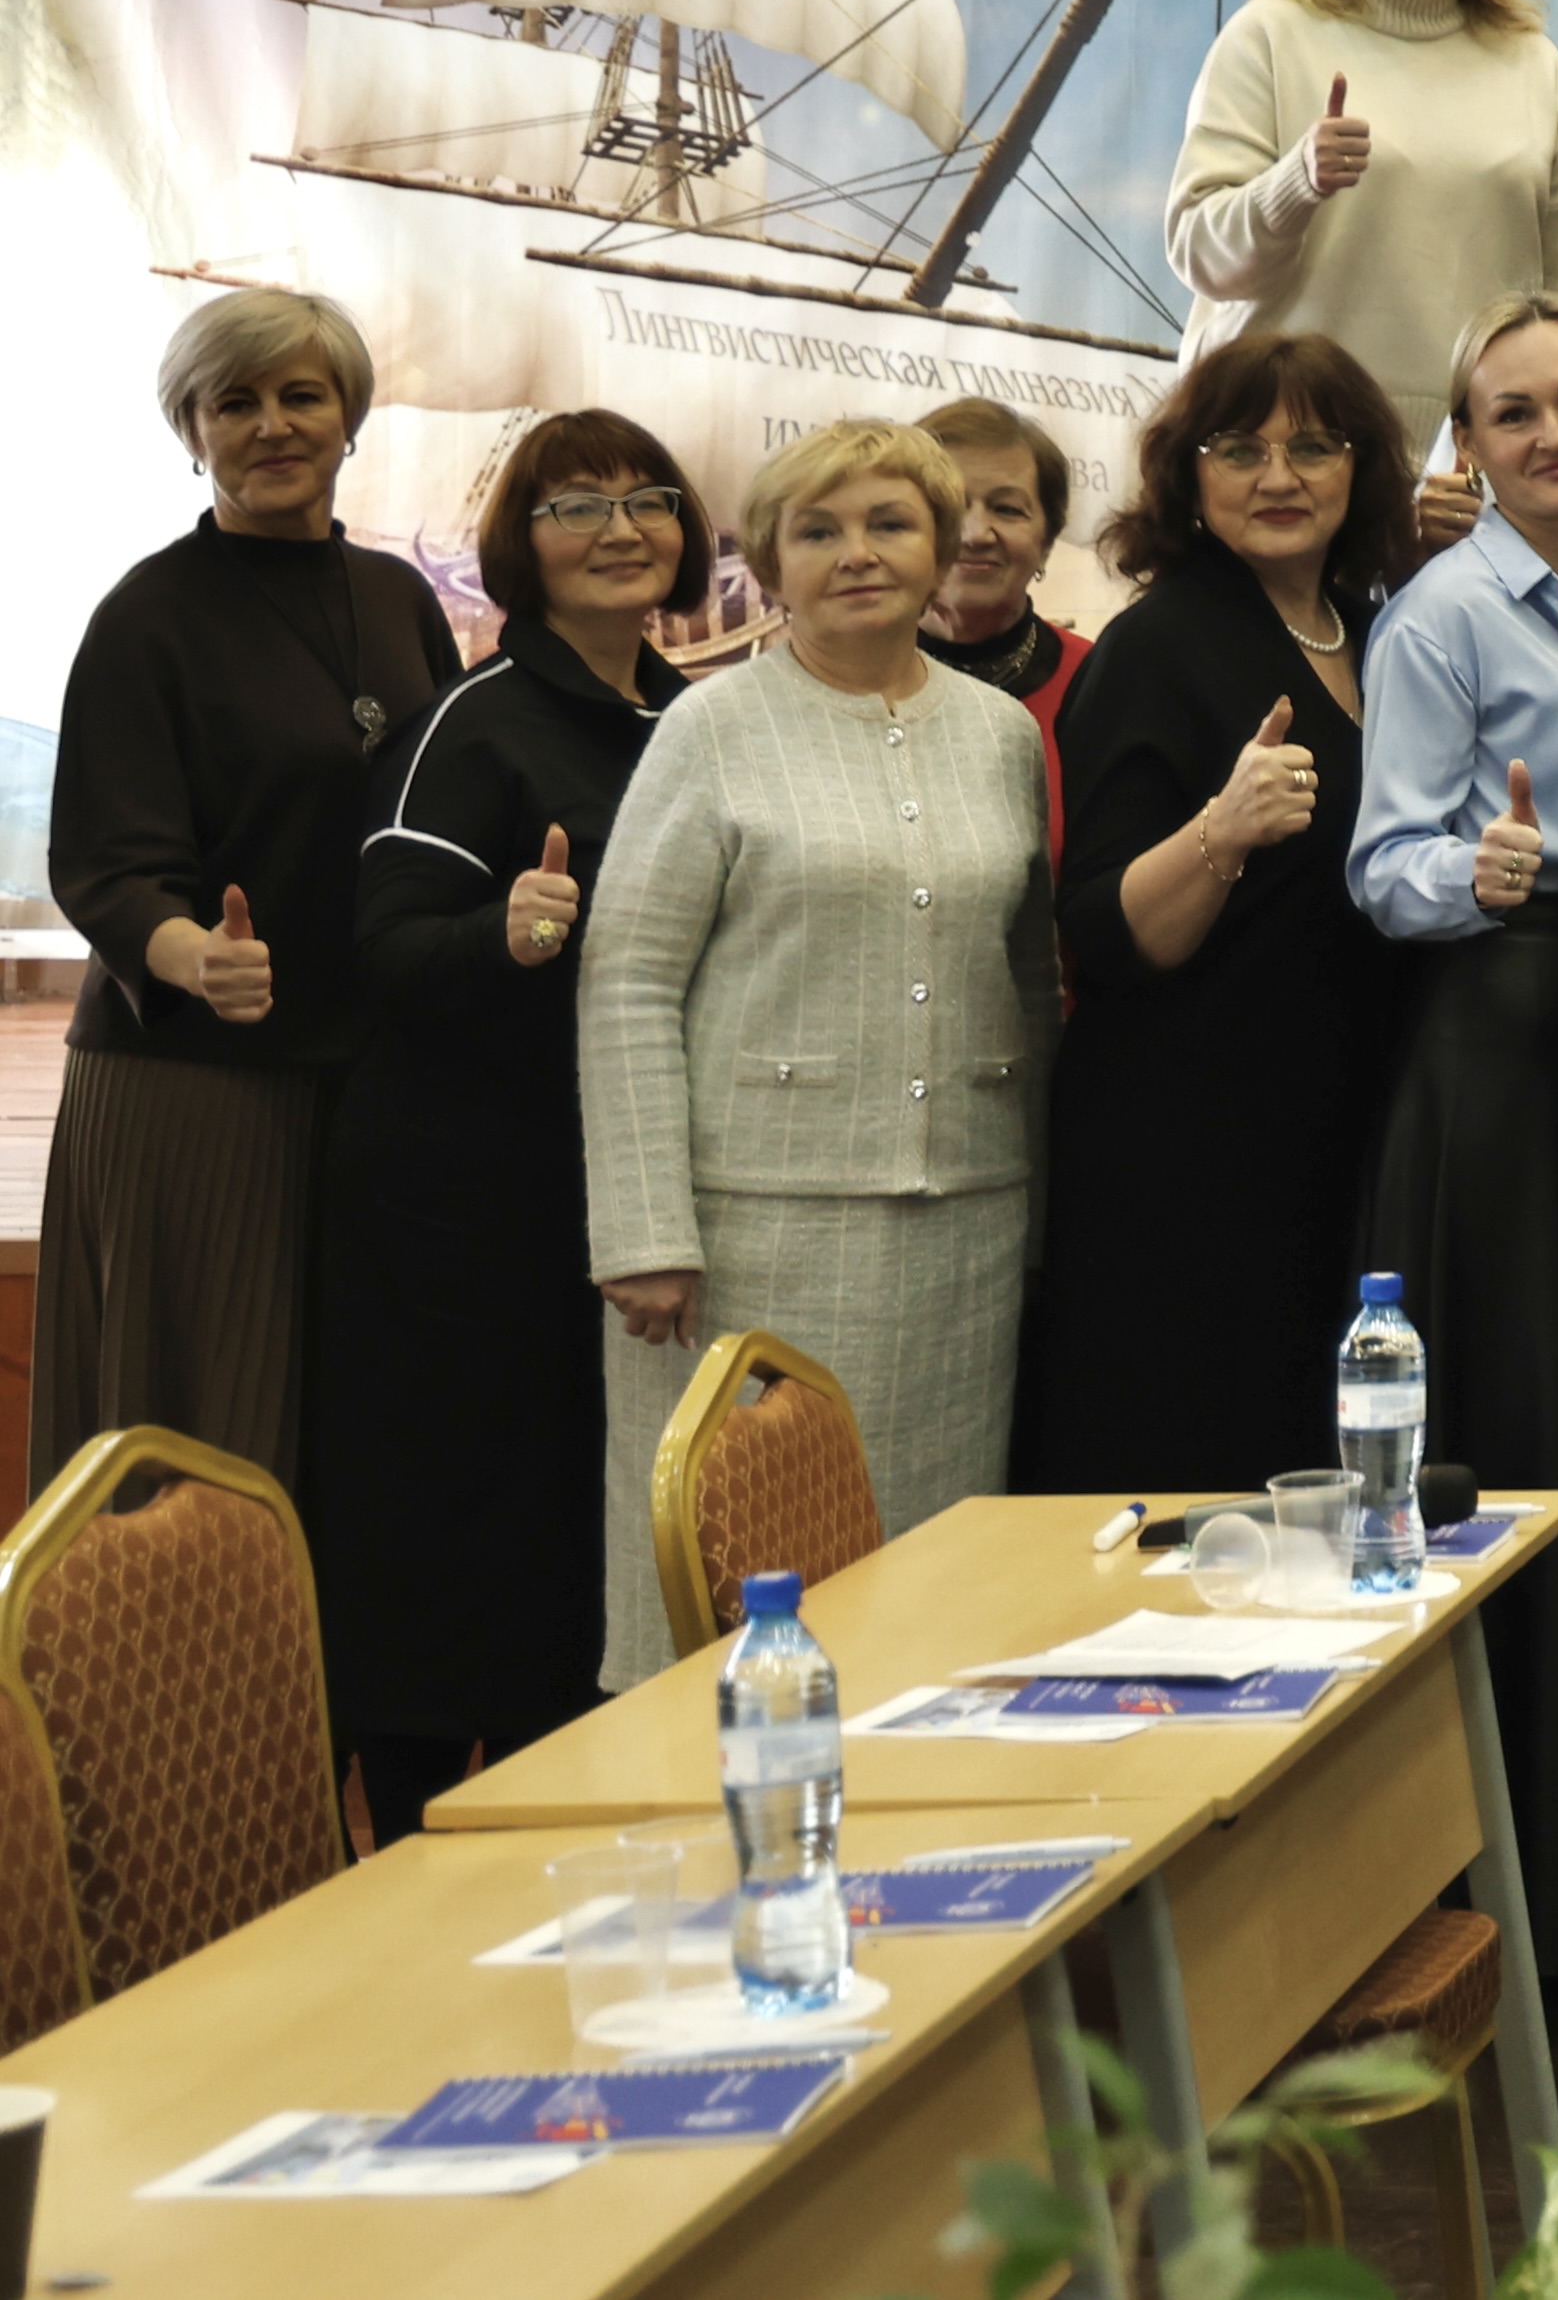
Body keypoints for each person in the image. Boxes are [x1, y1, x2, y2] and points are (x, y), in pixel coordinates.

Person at [579, 419, 1055, 1684]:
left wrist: (1040, 1207)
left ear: (941, 548)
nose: (859, 553)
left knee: (929, 1615)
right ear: (771, 564)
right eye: (820, 530)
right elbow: (628, 977)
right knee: (731, 1616)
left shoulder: (1001, 732)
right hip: (744, 1250)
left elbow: (1025, 984)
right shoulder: (710, 726)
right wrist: (645, 1232)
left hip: (966, 1242)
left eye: (891, 524)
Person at [1346, 292, 1558, 1950]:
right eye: (1511, 414)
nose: (1551, 433)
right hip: (1496, 1042)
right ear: (1469, 450)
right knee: (1522, 1427)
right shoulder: (1439, 617)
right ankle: (1519, 1891)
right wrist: (1471, 874)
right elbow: (1380, 863)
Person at [320, 410, 699, 1823]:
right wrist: (507, 932)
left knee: (571, 1549)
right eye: (576, 506)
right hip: (454, 1214)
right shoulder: (468, 722)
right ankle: (416, 1856)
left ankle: (572, 1841)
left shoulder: (693, 719)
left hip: (610, 1197)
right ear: (518, 547)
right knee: (442, 1551)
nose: (619, 529)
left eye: (647, 500)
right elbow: (387, 951)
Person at [38, 289, 462, 1489]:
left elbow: (435, 808)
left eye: (300, 395)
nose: (272, 424)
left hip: (366, 1076)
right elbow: (108, 861)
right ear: (193, 432)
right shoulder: (147, 615)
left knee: (348, 1428)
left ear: (347, 418)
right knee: (198, 1443)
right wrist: (194, 954)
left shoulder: (398, 598)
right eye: (235, 402)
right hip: (197, 1083)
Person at [1014, 336, 1421, 1501]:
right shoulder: (1160, 642)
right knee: (1191, 1486)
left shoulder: (1375, 631)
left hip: (1331, 1134)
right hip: (1186, 1156)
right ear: (1188, 476)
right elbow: (1104, 929)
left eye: (1313, 446)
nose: (1278, 475)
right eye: (1239, 449)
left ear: (1360, 470)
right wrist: (1222, 830)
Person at [1166, 0, 1558, 461]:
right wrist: (1296, 184)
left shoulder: (1533, 63)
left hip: (1466, 462)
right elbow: (1200, 254)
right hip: (1277, 450)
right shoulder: (1268, 35)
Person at [916, 396, 1086, 736]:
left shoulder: (1096, 679)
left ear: (1047, 542)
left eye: (1007, 509)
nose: (975, 534)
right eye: (950, 507)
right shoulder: (841, 675)